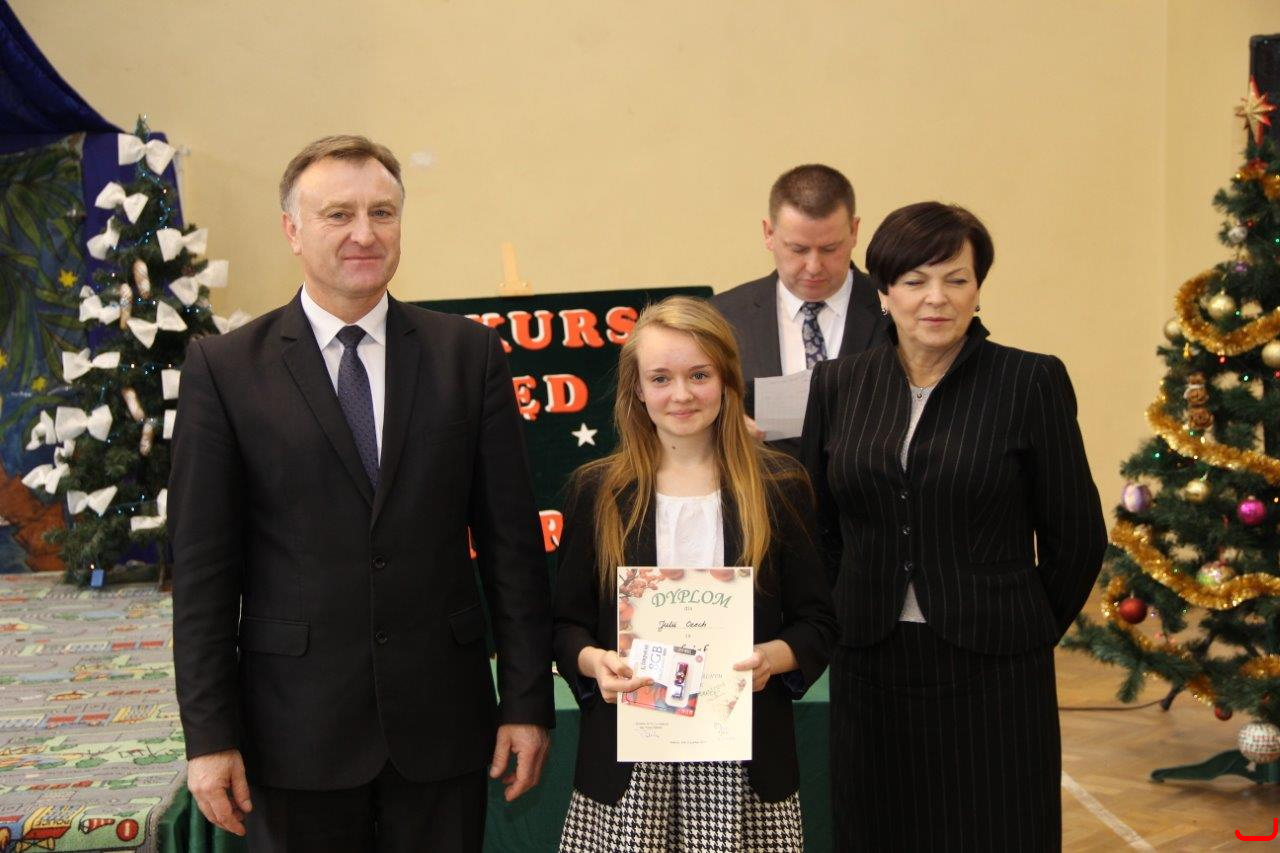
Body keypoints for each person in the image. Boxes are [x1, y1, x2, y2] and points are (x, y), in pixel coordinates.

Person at [168, 135, 554, 852]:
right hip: (293, 733)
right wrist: (210, 737)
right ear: (292, 229)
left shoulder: (467, 356)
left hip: (443, 724)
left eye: (382, 212)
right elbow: (202, 573)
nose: (364, 233)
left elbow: (514, 549)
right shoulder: (225, 370)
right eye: (338, 214)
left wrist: (527, 701)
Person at [801, 202, 1106, 851]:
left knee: (996, 828)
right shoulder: (838, 383)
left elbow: (1076, 534)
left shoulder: (1029, 380)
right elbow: (820, 526)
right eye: (915, 280)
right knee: (877, 829)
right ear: (883, 291)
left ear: (978, 288)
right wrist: (839, 614)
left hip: (994, 664)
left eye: (956, 279)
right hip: (869, 655)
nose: (936, 298)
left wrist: (1025, 629)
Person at [552, 296, 837, 852]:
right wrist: (595, 663)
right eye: (661, 378)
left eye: (699, 375)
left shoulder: (779, 488)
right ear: (637, 389)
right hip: (630, 766)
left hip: (745, 762)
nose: (681, 394)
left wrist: (771, 659)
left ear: (727, 380)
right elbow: (565, 626)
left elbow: (818, 624)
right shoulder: (598, 491)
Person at [711, 164, 886, 456]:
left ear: (854, 231)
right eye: (798, 249)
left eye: (830, 249)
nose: (814, 267)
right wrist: (721, 424)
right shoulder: (723, 316)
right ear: (769, 233)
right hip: (765, 481)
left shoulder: (895, 309)